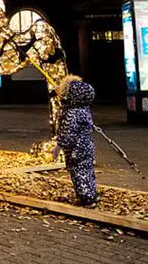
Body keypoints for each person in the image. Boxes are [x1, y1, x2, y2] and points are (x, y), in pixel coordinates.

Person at [54, 75, 98, 208]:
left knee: (79, 172)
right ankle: (92, 193)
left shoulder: (71, 113)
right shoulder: (84, 109)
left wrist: (58, 147)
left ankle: (86, 198)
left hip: (76, 149)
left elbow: (67, 132)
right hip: (87, 145)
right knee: (88, 171)